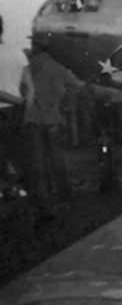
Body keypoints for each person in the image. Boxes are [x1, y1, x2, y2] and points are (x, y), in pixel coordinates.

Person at [19, 37, 86, 219]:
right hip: (53, 120)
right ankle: (65, 195)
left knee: (38, 164)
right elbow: (78, 85)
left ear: (35, 49)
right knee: (57, 160)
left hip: (32, 120)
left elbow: (22, 91)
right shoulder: (58, 68)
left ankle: (44, 202)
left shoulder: (27, 67)